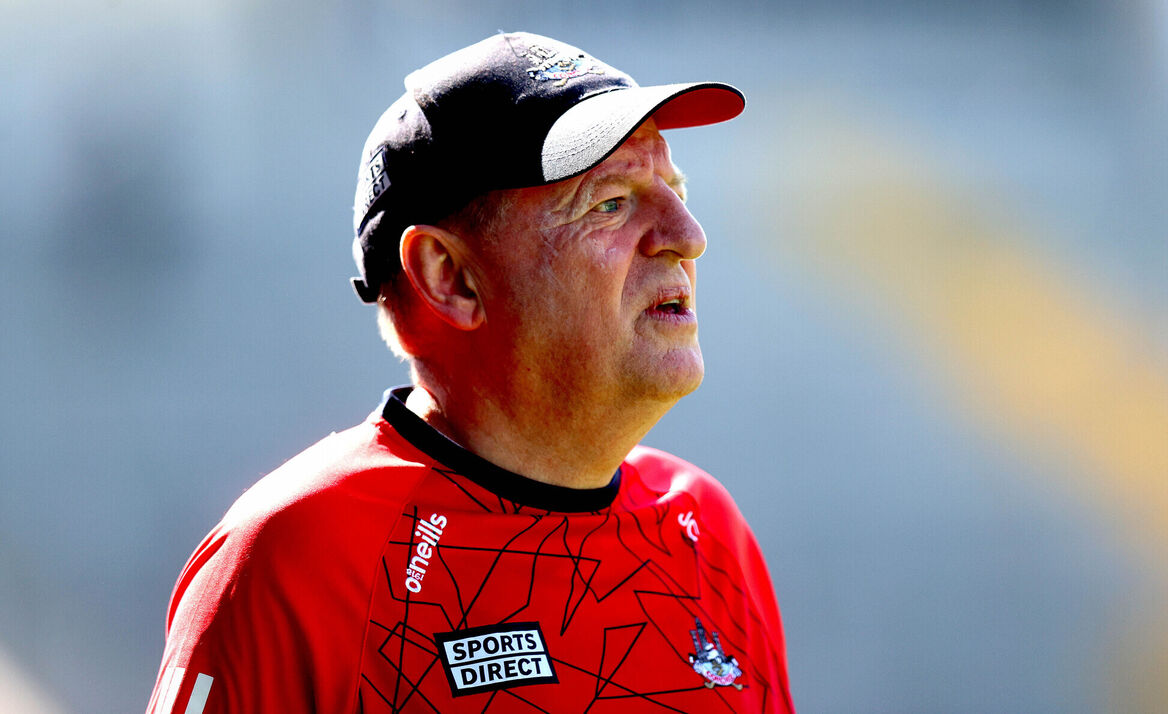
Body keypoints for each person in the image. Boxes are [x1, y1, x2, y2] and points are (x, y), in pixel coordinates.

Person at [147, 32, 793, 713]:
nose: (688, 235)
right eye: (610, 202)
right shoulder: (290, 561)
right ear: (449, 277)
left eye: (675, 189)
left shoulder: (707, 529)